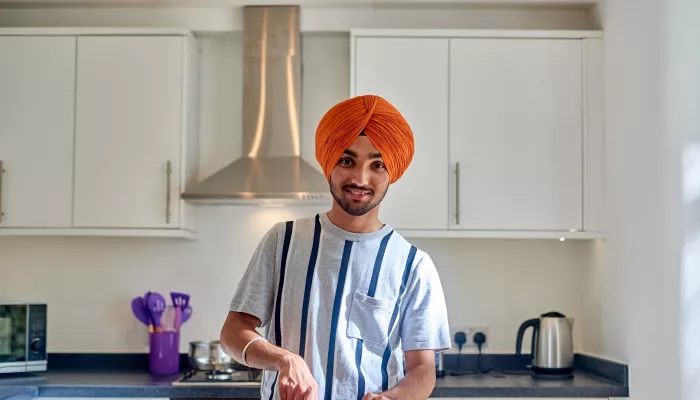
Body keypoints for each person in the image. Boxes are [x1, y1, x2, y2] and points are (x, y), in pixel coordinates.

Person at [220, 94, 451, 400]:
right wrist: (284, 359)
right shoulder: (283, 240)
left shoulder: (413, 266)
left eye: (377, 164)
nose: (360, 178)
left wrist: (391, 398)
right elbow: (233, 332)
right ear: (329, 163)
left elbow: (423, 370)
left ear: (391, 172)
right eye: (347, 160)